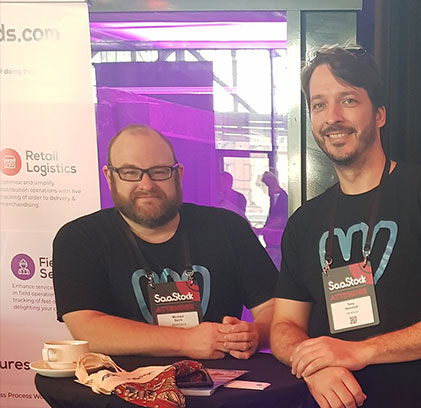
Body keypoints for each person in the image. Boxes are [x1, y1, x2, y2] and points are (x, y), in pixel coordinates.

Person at [270, 45, 421, 408]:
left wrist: (360, 352)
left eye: (348, 100)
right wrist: (312, 365)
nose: (332, 117)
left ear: (380, 114)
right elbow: (284, 326)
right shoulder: (305, 222)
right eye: (319, 105)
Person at [52, 124, 277, 360]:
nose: (146, 185)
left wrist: (255, 334)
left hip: (224, 380)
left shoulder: (228, 228)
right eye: (130, 172)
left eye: (159, 171)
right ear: (110, 176)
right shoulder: (79, 238)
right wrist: (186, 341)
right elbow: (87, 329)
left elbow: (273, 309)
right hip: (121, 381)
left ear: (178, 174)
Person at [258, 170, 288, 267]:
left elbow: (280, 220)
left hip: (276, 243)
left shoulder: (282, 197)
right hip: (272, 242)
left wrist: (263, 229)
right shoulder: (274, 198)